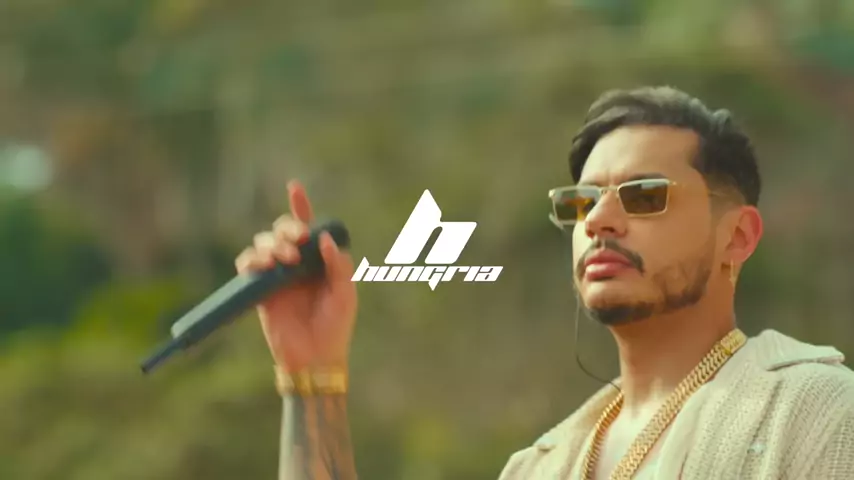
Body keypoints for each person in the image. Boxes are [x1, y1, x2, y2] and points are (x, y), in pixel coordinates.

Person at [235, 86, 854, 480]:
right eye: (581, 203)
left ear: (738, 236)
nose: (600, 220)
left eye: (644, 196)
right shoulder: (539, 467)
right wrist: (312, 377)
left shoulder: (817, 414)